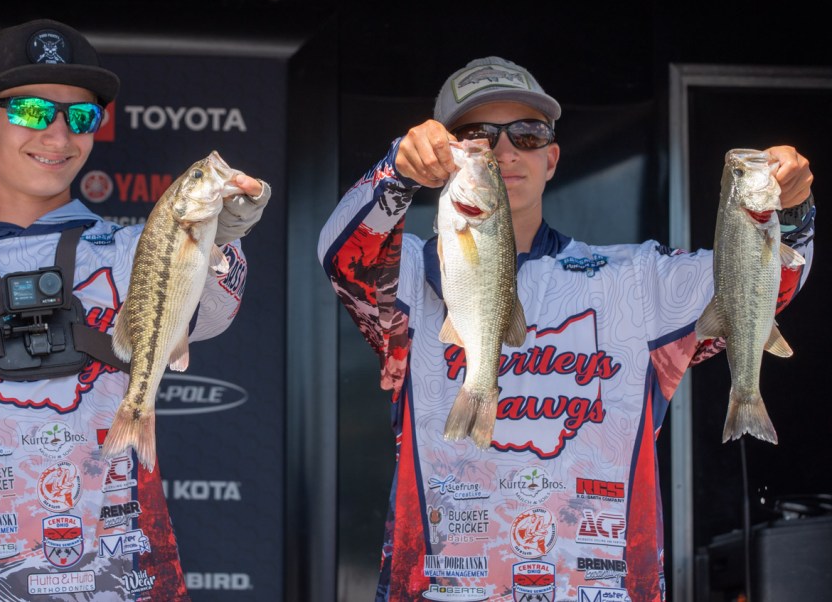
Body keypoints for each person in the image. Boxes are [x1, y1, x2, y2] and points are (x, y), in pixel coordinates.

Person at [317, 56, 814, 602]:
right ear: (443, 152)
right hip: (439, 589)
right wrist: (396, 171)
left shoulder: (638, 279)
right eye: (478, 135)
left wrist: (791, 210)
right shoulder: (409, 272)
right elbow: (338, 256)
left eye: (527, 134)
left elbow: (763, 287)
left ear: (551, 158)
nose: (505, 151)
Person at [0, 19, 270, 601]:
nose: (59, 134)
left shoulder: (129, 251)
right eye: (32, 111)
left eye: (82, 116)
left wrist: (225, 233)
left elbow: (215, 311)